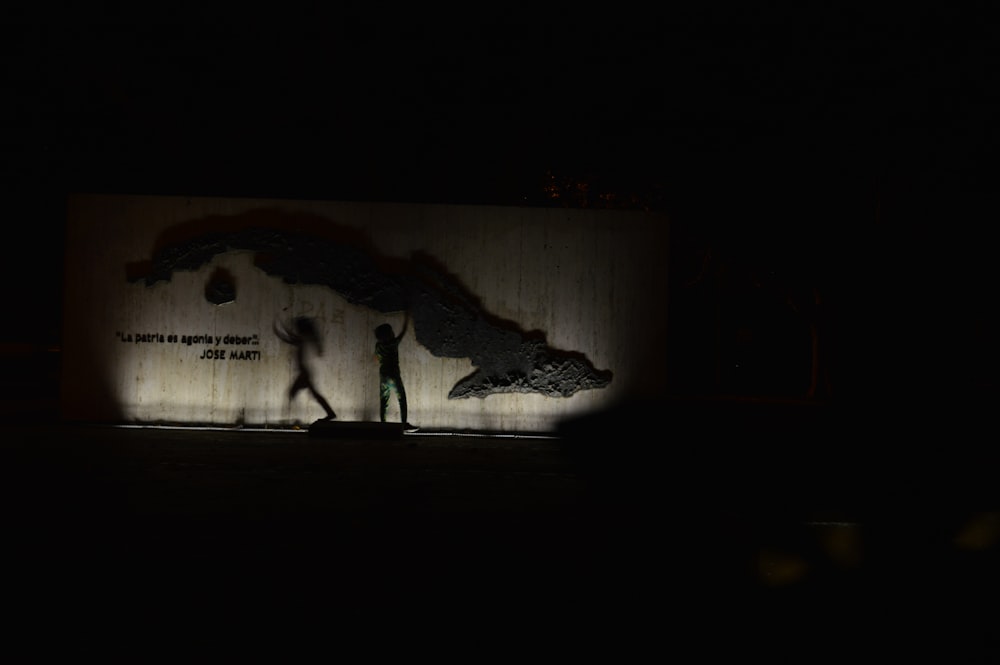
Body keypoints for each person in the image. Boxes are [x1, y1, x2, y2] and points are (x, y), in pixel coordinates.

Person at [274, 314, 337, 421]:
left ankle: (294, 417)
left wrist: (278, 330)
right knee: (312, 394)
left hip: (304, 373)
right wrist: (281, 329)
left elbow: (288, 338)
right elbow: (290, 337)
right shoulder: (304, 338)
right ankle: (330, 413)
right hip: (304, 372)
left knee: (293, 393)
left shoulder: (302, 339)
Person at [374, 312, 413, 430]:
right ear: (389, 334)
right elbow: (404, 331)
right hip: (393, 375)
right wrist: (407, 318)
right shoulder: (394, 343)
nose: (393, 333)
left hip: (383, 376)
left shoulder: (378, 345)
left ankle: (383, 424)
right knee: (401, 398)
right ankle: (404, 424)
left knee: (384, 401)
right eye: (391, 332)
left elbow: (377, 358)